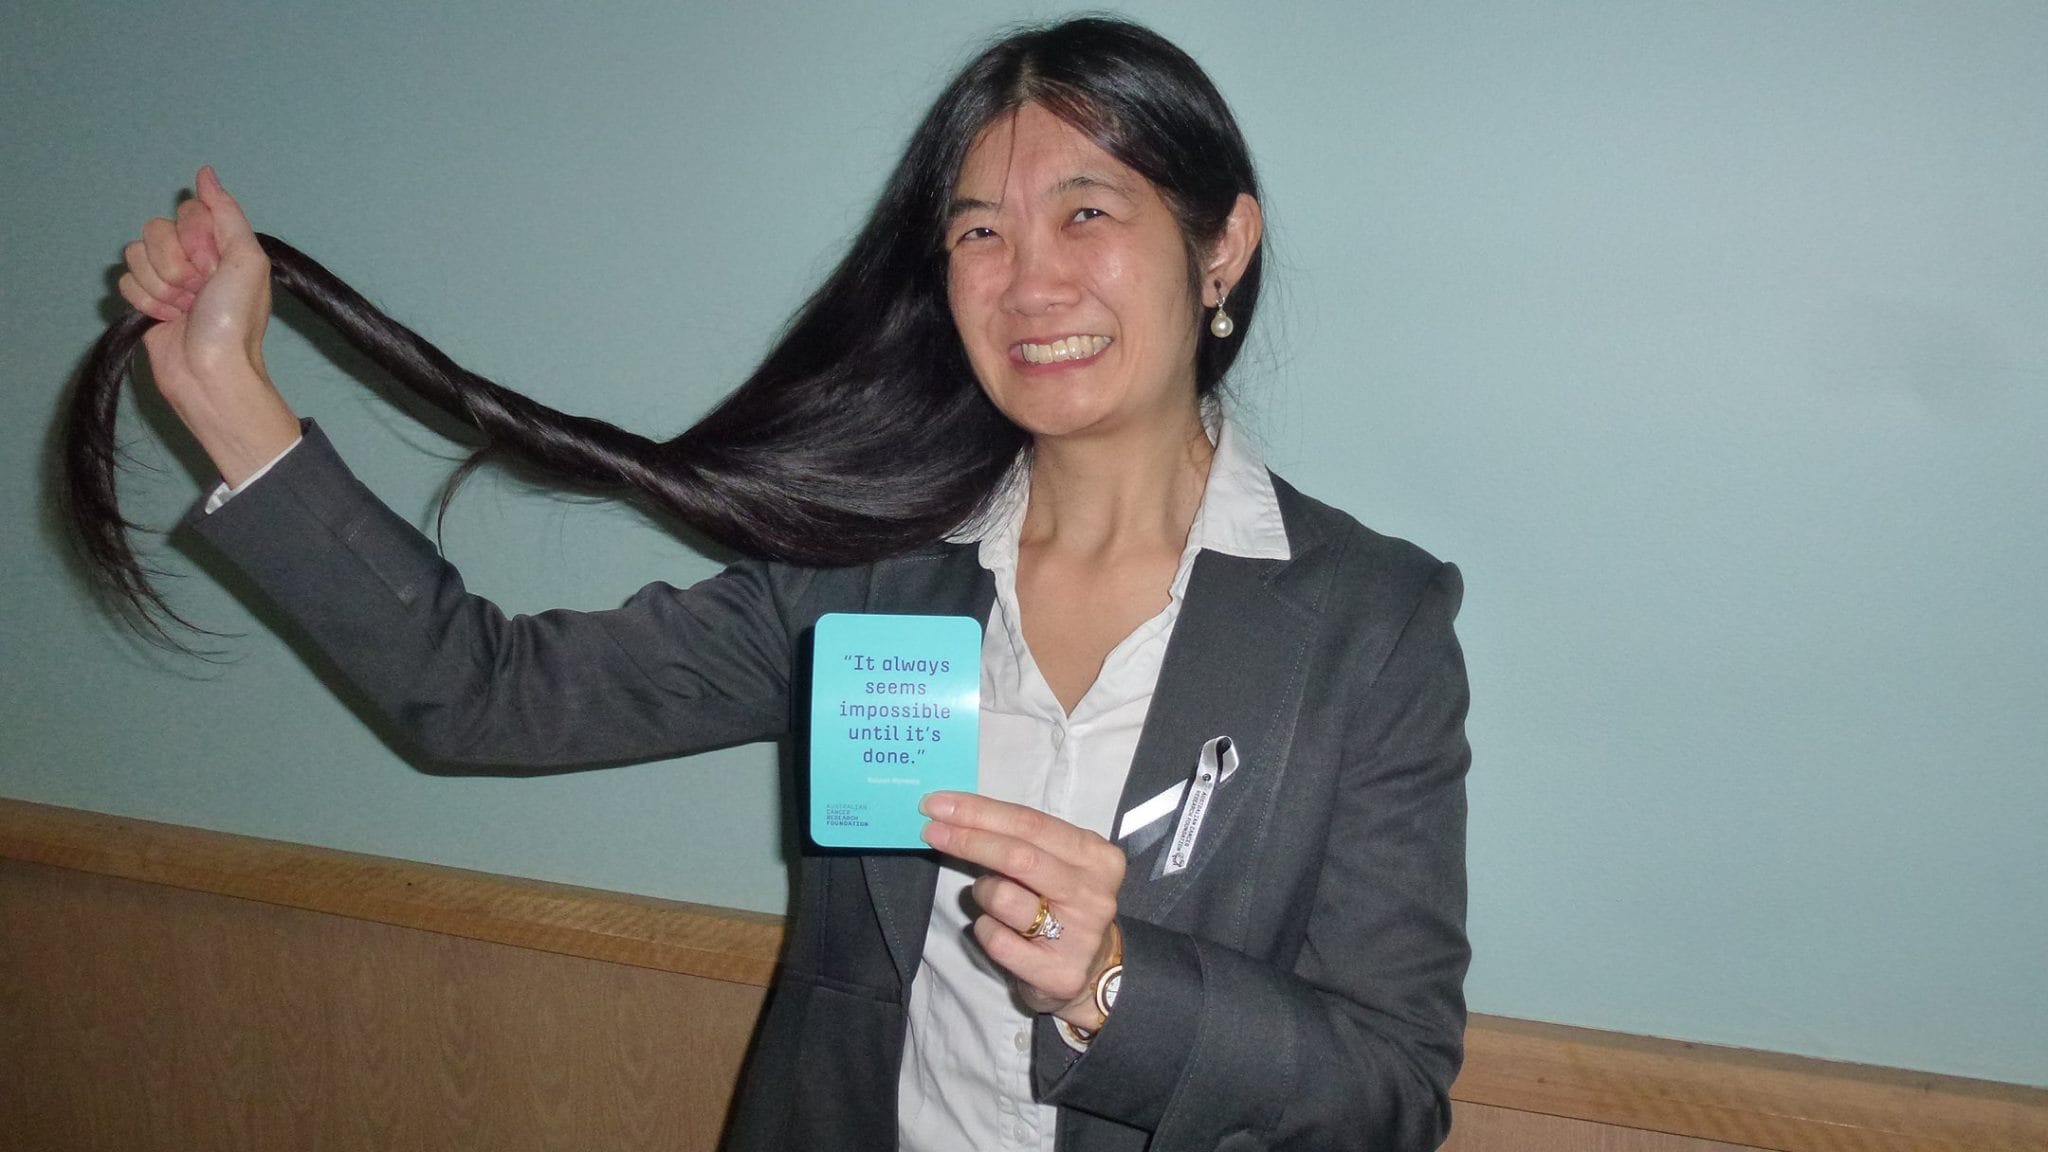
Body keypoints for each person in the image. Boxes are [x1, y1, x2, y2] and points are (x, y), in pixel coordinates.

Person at [102, 17, 1470, 1152]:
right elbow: (482, 695)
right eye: (980, 233)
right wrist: (229, 402)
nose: (1029, 283)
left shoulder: (1367, 626)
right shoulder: (863, 581)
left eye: (1088, 212)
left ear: (1220, 246)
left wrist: (1118, 985)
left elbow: (1391, 1092)